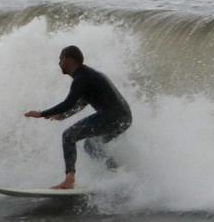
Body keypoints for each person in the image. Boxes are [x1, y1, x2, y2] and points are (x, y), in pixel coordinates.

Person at [23, 45, 133, 190]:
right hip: (124, 118)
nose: (59, 63)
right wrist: (64, 115)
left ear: (69, 59)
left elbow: (68, 103)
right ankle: (118, 175)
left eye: (60, 59)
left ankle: (69, 180)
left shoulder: (82, 77)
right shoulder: (88, 75)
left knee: (68, 136)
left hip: (112, 116)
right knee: (91, 146)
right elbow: (83, 101)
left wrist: (42, 113)